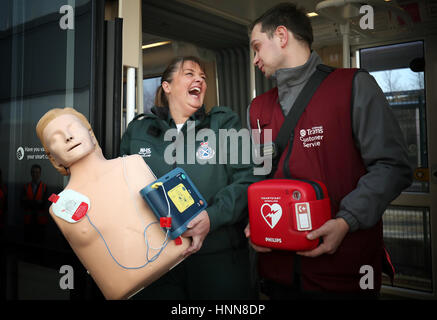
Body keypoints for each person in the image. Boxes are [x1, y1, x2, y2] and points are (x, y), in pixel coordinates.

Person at [244, 3, 413, 299]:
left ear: (281, 36)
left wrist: (347, 220)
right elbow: (258, 178)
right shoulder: (257, 109)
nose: (255, 59)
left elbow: (392, 166)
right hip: (277, 271)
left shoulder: (354, 86)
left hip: (343, 272)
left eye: (257, 47)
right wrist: (256, 222)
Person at [120, 56, 258, 300]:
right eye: (189, 74)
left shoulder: (223, 123)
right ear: (167, 86)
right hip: (156, 260)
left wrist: (211, 218)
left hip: (217, 258)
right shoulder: (139, 130)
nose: (199, 80)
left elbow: (247, 179)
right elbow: (120, 184)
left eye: (203, 77)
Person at [36, 107, 191, 299]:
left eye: (73, 128)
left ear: (91, 135)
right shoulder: (60, 208)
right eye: (55, 138)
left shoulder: (133, 164)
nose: (68, 137)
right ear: (53, 159)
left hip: (179, 275)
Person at [20, 164, 49, 242]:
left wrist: (29, 201)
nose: (35, 174)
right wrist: (37, 202)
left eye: (37, 172)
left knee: (40, 243)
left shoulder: (45, 187)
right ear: (30, 173)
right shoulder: (25, 187)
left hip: (40, 221)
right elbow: (22, 204)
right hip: (28, 221)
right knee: (28, 242)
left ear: (40, 174)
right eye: (33, 172)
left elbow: (45, 204)